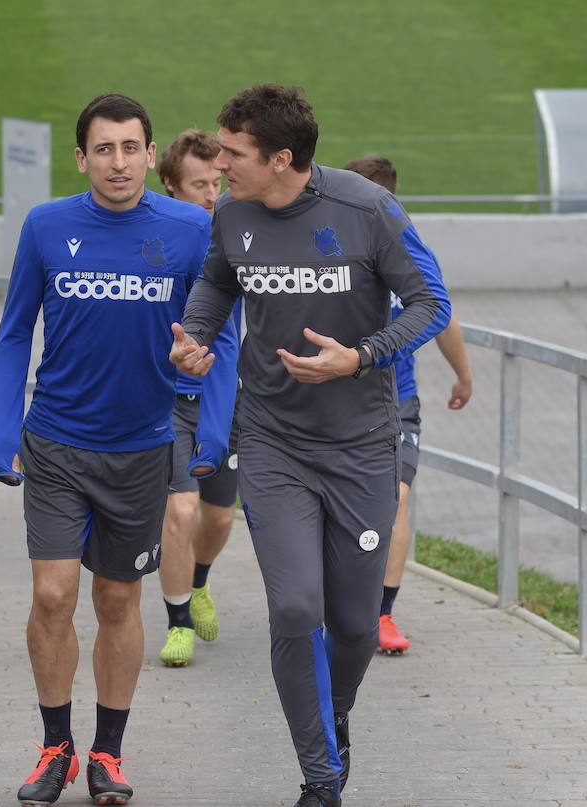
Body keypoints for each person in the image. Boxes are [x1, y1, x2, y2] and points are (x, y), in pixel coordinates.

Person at [171, 84, 451, 807]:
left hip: (360, 445)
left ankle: (336, 716)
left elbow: (432, 303)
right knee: (296, 607)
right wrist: (197, 336)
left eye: (233, 154)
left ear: (281, 158)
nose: (220, 165)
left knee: (355, 626)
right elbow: (216, 284)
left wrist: (360, 356)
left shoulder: (367, 210)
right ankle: (321, 778)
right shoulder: (232, 216)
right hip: (272, 442)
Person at [0, 93, 219, 807]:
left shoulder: (189, 228)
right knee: (54, 594)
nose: (117, 162)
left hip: (143, 448)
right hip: (57, 442)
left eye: (130, 148)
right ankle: (54, 745)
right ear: (81, 157)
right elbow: (16, 329)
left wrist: (211, 408)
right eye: (103, 148)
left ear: (151, 155)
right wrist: (1, 426)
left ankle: (108, 754)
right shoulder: (48, 225)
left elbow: (221, 337)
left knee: (118, 598)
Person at [343, 154, 471, 654]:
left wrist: (463, 374)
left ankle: (382, 614)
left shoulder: (409, 253)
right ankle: (339, 603)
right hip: (335, 405)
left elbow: (443, 312)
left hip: (397, 402)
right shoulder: (328, 248)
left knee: (395, 499)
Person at [153, 129, 242, 668]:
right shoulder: (157, 238)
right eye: (199, 185)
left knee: (220, 517)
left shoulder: (239, 232)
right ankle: (178, 618)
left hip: (225, 396)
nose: (212, 195)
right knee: (180, 510)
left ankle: (200, 581)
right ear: (169, 186)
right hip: (169, 400)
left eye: (218, 183)